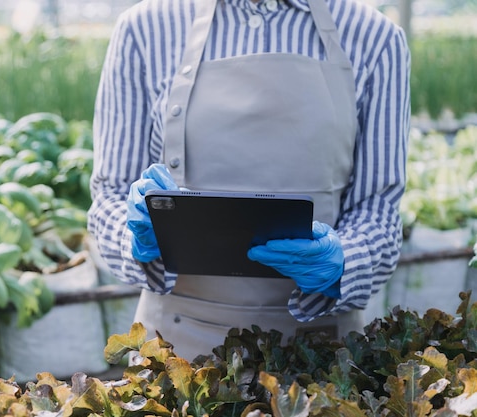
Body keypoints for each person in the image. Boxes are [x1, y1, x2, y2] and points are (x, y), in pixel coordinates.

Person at [88, 0, 411, 360]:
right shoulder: (144, 28)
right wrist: (135, 235)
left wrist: (345, 262)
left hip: (320, 350)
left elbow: (378, 209)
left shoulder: (376, 37)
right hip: (174, 348)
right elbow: (110, 196)